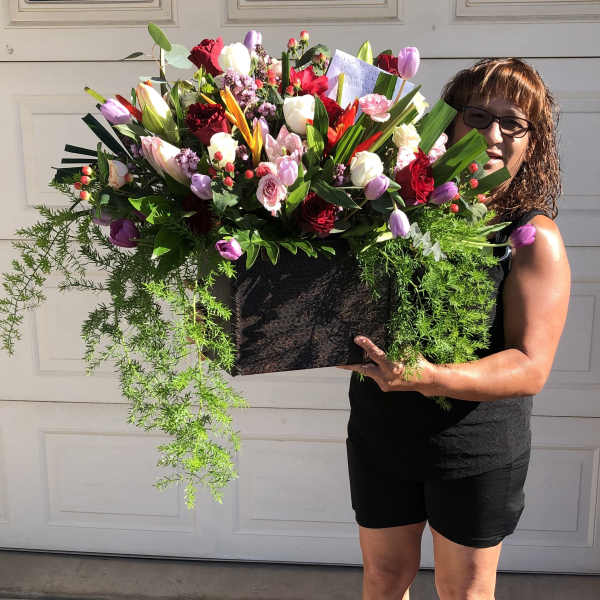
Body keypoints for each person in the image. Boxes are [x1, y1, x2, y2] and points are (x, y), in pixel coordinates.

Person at [338, 58, 571, 600]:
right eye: (478, 116)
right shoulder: (394, 209)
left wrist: (427, 376)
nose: (493, 134)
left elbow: (531, 367)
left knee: (462, 592)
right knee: (383, 579)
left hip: (474, 448)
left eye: (513, 123)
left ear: (532, 143)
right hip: (381, 431)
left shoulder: (531, 237)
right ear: (449, 123)